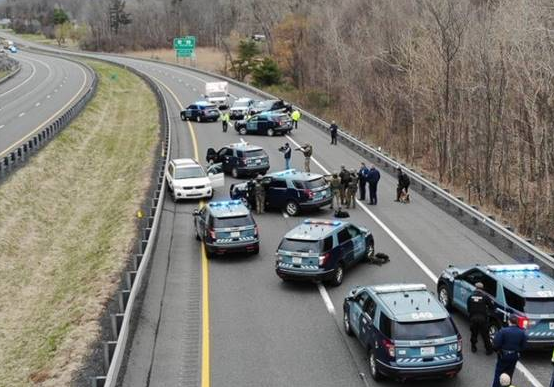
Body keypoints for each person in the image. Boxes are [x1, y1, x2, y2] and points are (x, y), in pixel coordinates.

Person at [491, 314, 527, 387]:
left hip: (503, 356)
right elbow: (524, 346)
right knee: (509, 373)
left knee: (499, 374)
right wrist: (518, 351)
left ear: (509, 322)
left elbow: (496, 344)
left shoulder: (503, 331)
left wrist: (498, 351)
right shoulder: (522, 332)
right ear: (517, 322)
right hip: (514, 356)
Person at [467, 282, 494, 355]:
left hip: (473, 318)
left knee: (474, 334)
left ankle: (473, 347)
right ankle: (488, 350)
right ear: (482, 289)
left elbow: (468, 309)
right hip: (482, 319)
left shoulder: (470, 296)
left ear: (475, 288)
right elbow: (491, 306)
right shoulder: (485, 297)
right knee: (485, 335)